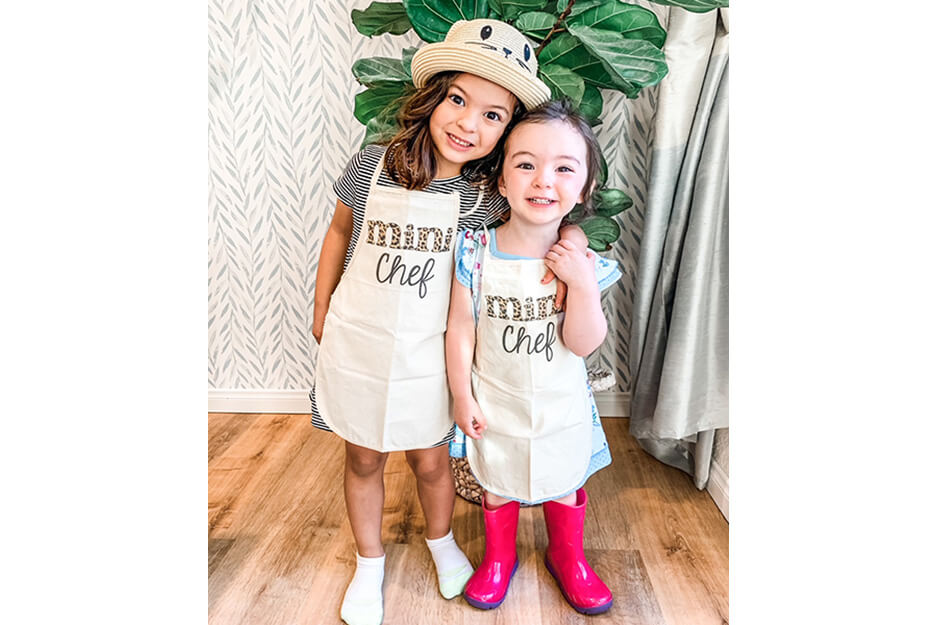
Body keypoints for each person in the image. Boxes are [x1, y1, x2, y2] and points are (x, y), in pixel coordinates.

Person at [309, 20, 587, 625]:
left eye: (493, 115)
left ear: (506, 130)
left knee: (431, 460)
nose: (469, 123)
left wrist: (575, 237)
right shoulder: (372, 165)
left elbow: (539, 219)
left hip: (430, 358)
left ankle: (441, 542)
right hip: (359, 345)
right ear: (432, 97)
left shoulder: (483, 199)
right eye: (458, 100)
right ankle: (369, 561)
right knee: (362, 458)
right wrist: (321, 303)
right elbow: (338, 231)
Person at [445, 100, 622, 615]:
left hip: (559, 405)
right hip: (495, 402)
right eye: (525, 164)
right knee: (497, 479)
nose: (543, 180)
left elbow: (584, 343)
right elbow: (460, 328)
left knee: (564, 480)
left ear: (585, 188)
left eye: (564, 168)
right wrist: (462, 395)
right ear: (501, 180)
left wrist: (582, 284)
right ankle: (499, 558)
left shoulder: (580, 260)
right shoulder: (475, 252)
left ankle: (568, 556)